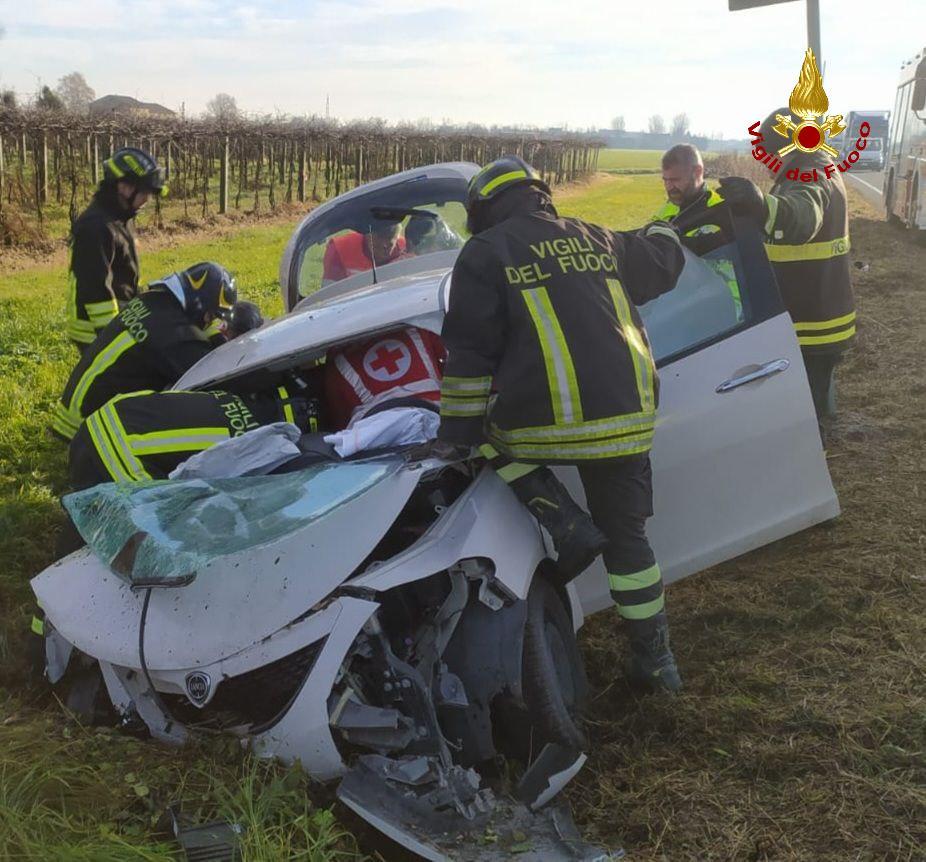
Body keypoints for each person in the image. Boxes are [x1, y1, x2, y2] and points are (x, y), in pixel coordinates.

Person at [436, 156, 686, 693]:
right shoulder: (598, 238)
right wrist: (667, 222)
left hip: (543, 428)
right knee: (629, 542)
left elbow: (468, 359)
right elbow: (663, 262)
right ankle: (657, 661)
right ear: (539, 195)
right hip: (627, 422)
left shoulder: (484, 254)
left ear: (482, 208)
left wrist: (453, 440)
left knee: (483, 439)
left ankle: (565, 524)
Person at [719, 108, 855, 425]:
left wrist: (760, 202)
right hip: (814, 317)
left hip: (813, 326)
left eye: (767, 155)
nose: (766, 166)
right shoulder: (813, 169)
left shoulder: (810, 174)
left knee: (806, 419)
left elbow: (801, 218)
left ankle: (812, 466)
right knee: (809, 411)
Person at [52, 262, 261, 441]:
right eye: (210, 316)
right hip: (86, 424)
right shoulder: (175, 334)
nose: (209, 323)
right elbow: (211, 376)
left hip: (74, 409)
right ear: (199, 305)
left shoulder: (153, 302)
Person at [68, 386, 318, 490]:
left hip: (100, 420)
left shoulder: (230, 396)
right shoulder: (251, 448)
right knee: (151, 522)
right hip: (113, 453)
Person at [67, 147, 167, 352]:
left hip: (118, 322)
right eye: (145, 192)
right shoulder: (95, 227)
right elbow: (96, 288)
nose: (147, 199)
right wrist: (113, 337)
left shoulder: (119, 218)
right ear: (124, 186)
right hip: (95, 331)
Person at [324, 326, 445, 429]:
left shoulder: (338, 366)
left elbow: (341, 423)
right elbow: (453, 367)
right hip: (441, 417)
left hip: (379, 435)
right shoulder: (420, 331)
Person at [321, 219, 408, 285]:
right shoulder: (340, 249)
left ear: (397, 237)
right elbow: (329, 296)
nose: (384, 245)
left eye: (389, 241)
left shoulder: (407, 250)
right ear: (366, 234)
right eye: (378, 238)